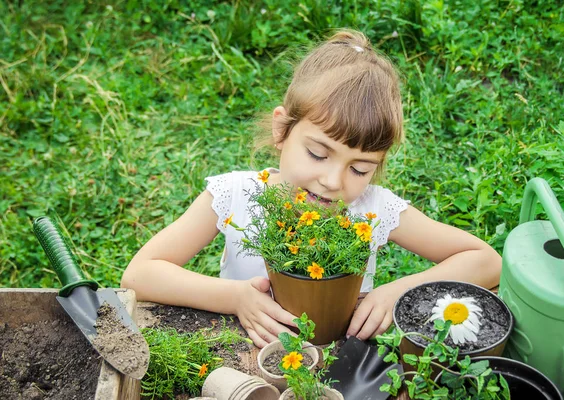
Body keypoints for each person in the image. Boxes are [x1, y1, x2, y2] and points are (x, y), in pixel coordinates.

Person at [121, 29, 501, 348]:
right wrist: (235, 297)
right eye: (319, 154)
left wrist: (397, 291)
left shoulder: (372, 209)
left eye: (360, 168)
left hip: (340, 357)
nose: (334, 182)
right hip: (242, 348)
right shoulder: (235, 194)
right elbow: (139, 275)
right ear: (281, 130)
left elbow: (486, 261)